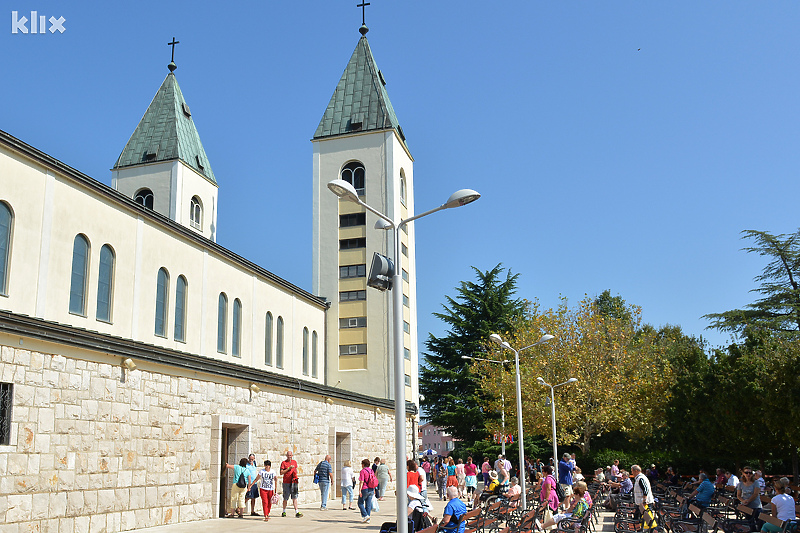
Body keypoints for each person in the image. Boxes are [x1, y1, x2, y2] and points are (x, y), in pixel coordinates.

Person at [632, 465, 657, 530]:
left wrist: (644, 500)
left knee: (648, 519)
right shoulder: (639, 478)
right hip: (640, 503)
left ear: (636, 471)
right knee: (637, 518)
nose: (632, 473)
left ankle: (653, 530)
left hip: (644, 503)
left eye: (632, 471)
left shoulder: (641, 478)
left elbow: (645, 490)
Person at [280, 450, 303, 518]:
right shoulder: (284, 463)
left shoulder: (294, 462)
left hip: (294, 482)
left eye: (290, 455)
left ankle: (296, 511)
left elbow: (295, 470)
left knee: (295, 497)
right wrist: (288, 468)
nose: (289, 457)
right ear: (286, 456)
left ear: (292, 456)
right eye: (288, 455)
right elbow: (281, 472)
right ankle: (284, 511)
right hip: (286, 482)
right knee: (285, 497)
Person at [539, 465, 560, 531]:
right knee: (554, 512)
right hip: (553, 496)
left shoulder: (548, 478)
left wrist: (546, 499)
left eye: (543, 471)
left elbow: (548, 489)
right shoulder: (552, 477)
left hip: (550, 497)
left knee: (548, 511)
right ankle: (556, 527)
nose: (542, 473)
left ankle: (546, 525)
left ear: (546, 472)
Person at [357, 458, 377, 523]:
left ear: (363, 464)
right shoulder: (371, 471)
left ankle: (365, 515)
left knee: (360, 503)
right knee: (368, 504)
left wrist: (359, 490)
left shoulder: (363, 471)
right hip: (371, 488)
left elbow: (362, 481)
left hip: (365, 488)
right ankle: (368, 518)